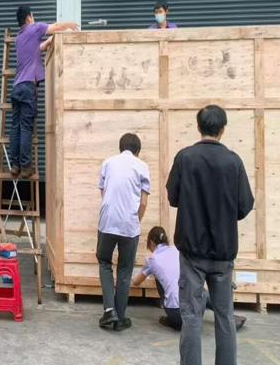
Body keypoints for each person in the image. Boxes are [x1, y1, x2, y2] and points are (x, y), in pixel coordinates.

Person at [167, 105, 254, 365]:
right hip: (224, 253)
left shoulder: (185, 158)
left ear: (198, 127)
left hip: (192, 251)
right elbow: (244, 205)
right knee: (225, 317)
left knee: (192, 315)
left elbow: (173, 197)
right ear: (223, 130)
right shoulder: (234, 161)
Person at [131, 226, 247, 332]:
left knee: (159, 279)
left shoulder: (152, 260)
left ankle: (173, 320)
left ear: (151, 243)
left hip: (178, 315)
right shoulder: (177, 251)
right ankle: (230, 318)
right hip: (196, 308)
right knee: (203, 293)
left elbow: (136, 282)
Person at [9, 6, 78, 178]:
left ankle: (15, 165)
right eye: (32, 16)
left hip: (16, 87)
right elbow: (56, 26)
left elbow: (35, 50)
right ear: (29, 18)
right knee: (26, 127)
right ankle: (26, 166)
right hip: (28, 87)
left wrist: (47, 43)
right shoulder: (35, 28)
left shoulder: (19, 38)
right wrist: (71, 24)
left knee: (16, 127)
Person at [96, 133, 151, 332]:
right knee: (125, 270)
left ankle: (109, 310)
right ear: (138, 151)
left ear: (120, 148)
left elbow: (104, 194)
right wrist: (134, 221)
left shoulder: (108, 163)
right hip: (129, 225)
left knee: (104, 263)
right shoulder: (142, 166)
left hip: (107, 223)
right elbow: (143, 203)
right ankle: (119, 318)